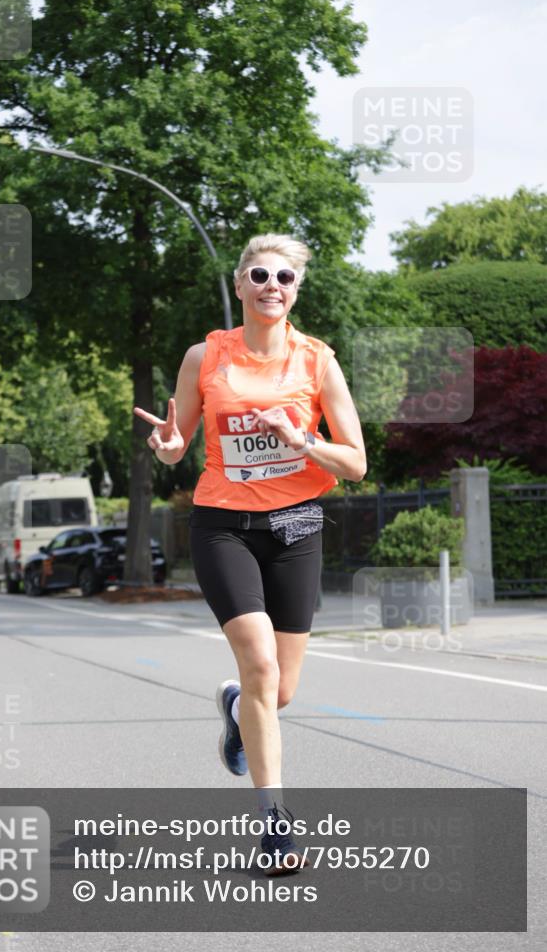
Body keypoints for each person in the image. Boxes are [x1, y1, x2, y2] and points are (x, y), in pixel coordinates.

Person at [134, 233, 366, 875]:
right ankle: (274, 826)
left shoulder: (317, 362)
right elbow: (178, 443)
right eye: (260, 274)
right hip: (223, 525)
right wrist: (169, 445)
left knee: (279, 691)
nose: (272, 285)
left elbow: (356, 462)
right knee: (262, 667)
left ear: (296, 291)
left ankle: (237, 709)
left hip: (295, 526)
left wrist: (302, 440)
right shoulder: (204, 356)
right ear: (240, 285)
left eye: (285, 278)